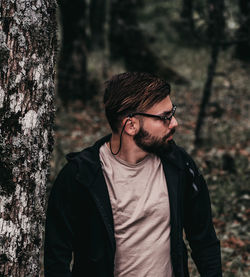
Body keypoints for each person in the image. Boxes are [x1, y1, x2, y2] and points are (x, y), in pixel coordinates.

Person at [44, 72, 222, 277]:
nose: (174, 123)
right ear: (131, 126)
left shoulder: (179, 165)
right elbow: (57, 256)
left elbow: (204, 240)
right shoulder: (80, 176)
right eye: (165, 117)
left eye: (171, 113)